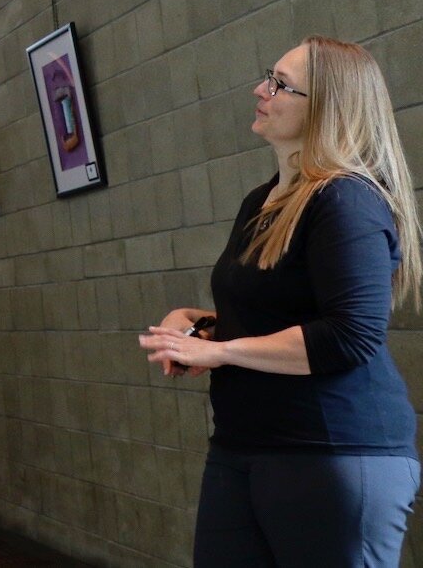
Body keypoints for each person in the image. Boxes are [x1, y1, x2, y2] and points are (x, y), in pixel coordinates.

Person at [138, 36, 422, 566]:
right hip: (243, 446)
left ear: (326, 111)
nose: (261, 90)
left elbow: (350, 336)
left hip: (332, 452)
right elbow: (277, 311)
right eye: (269, 76)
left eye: (280, 85)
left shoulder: (346, 199)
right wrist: (203, 328)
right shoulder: (262, 199)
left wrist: (221, 353)